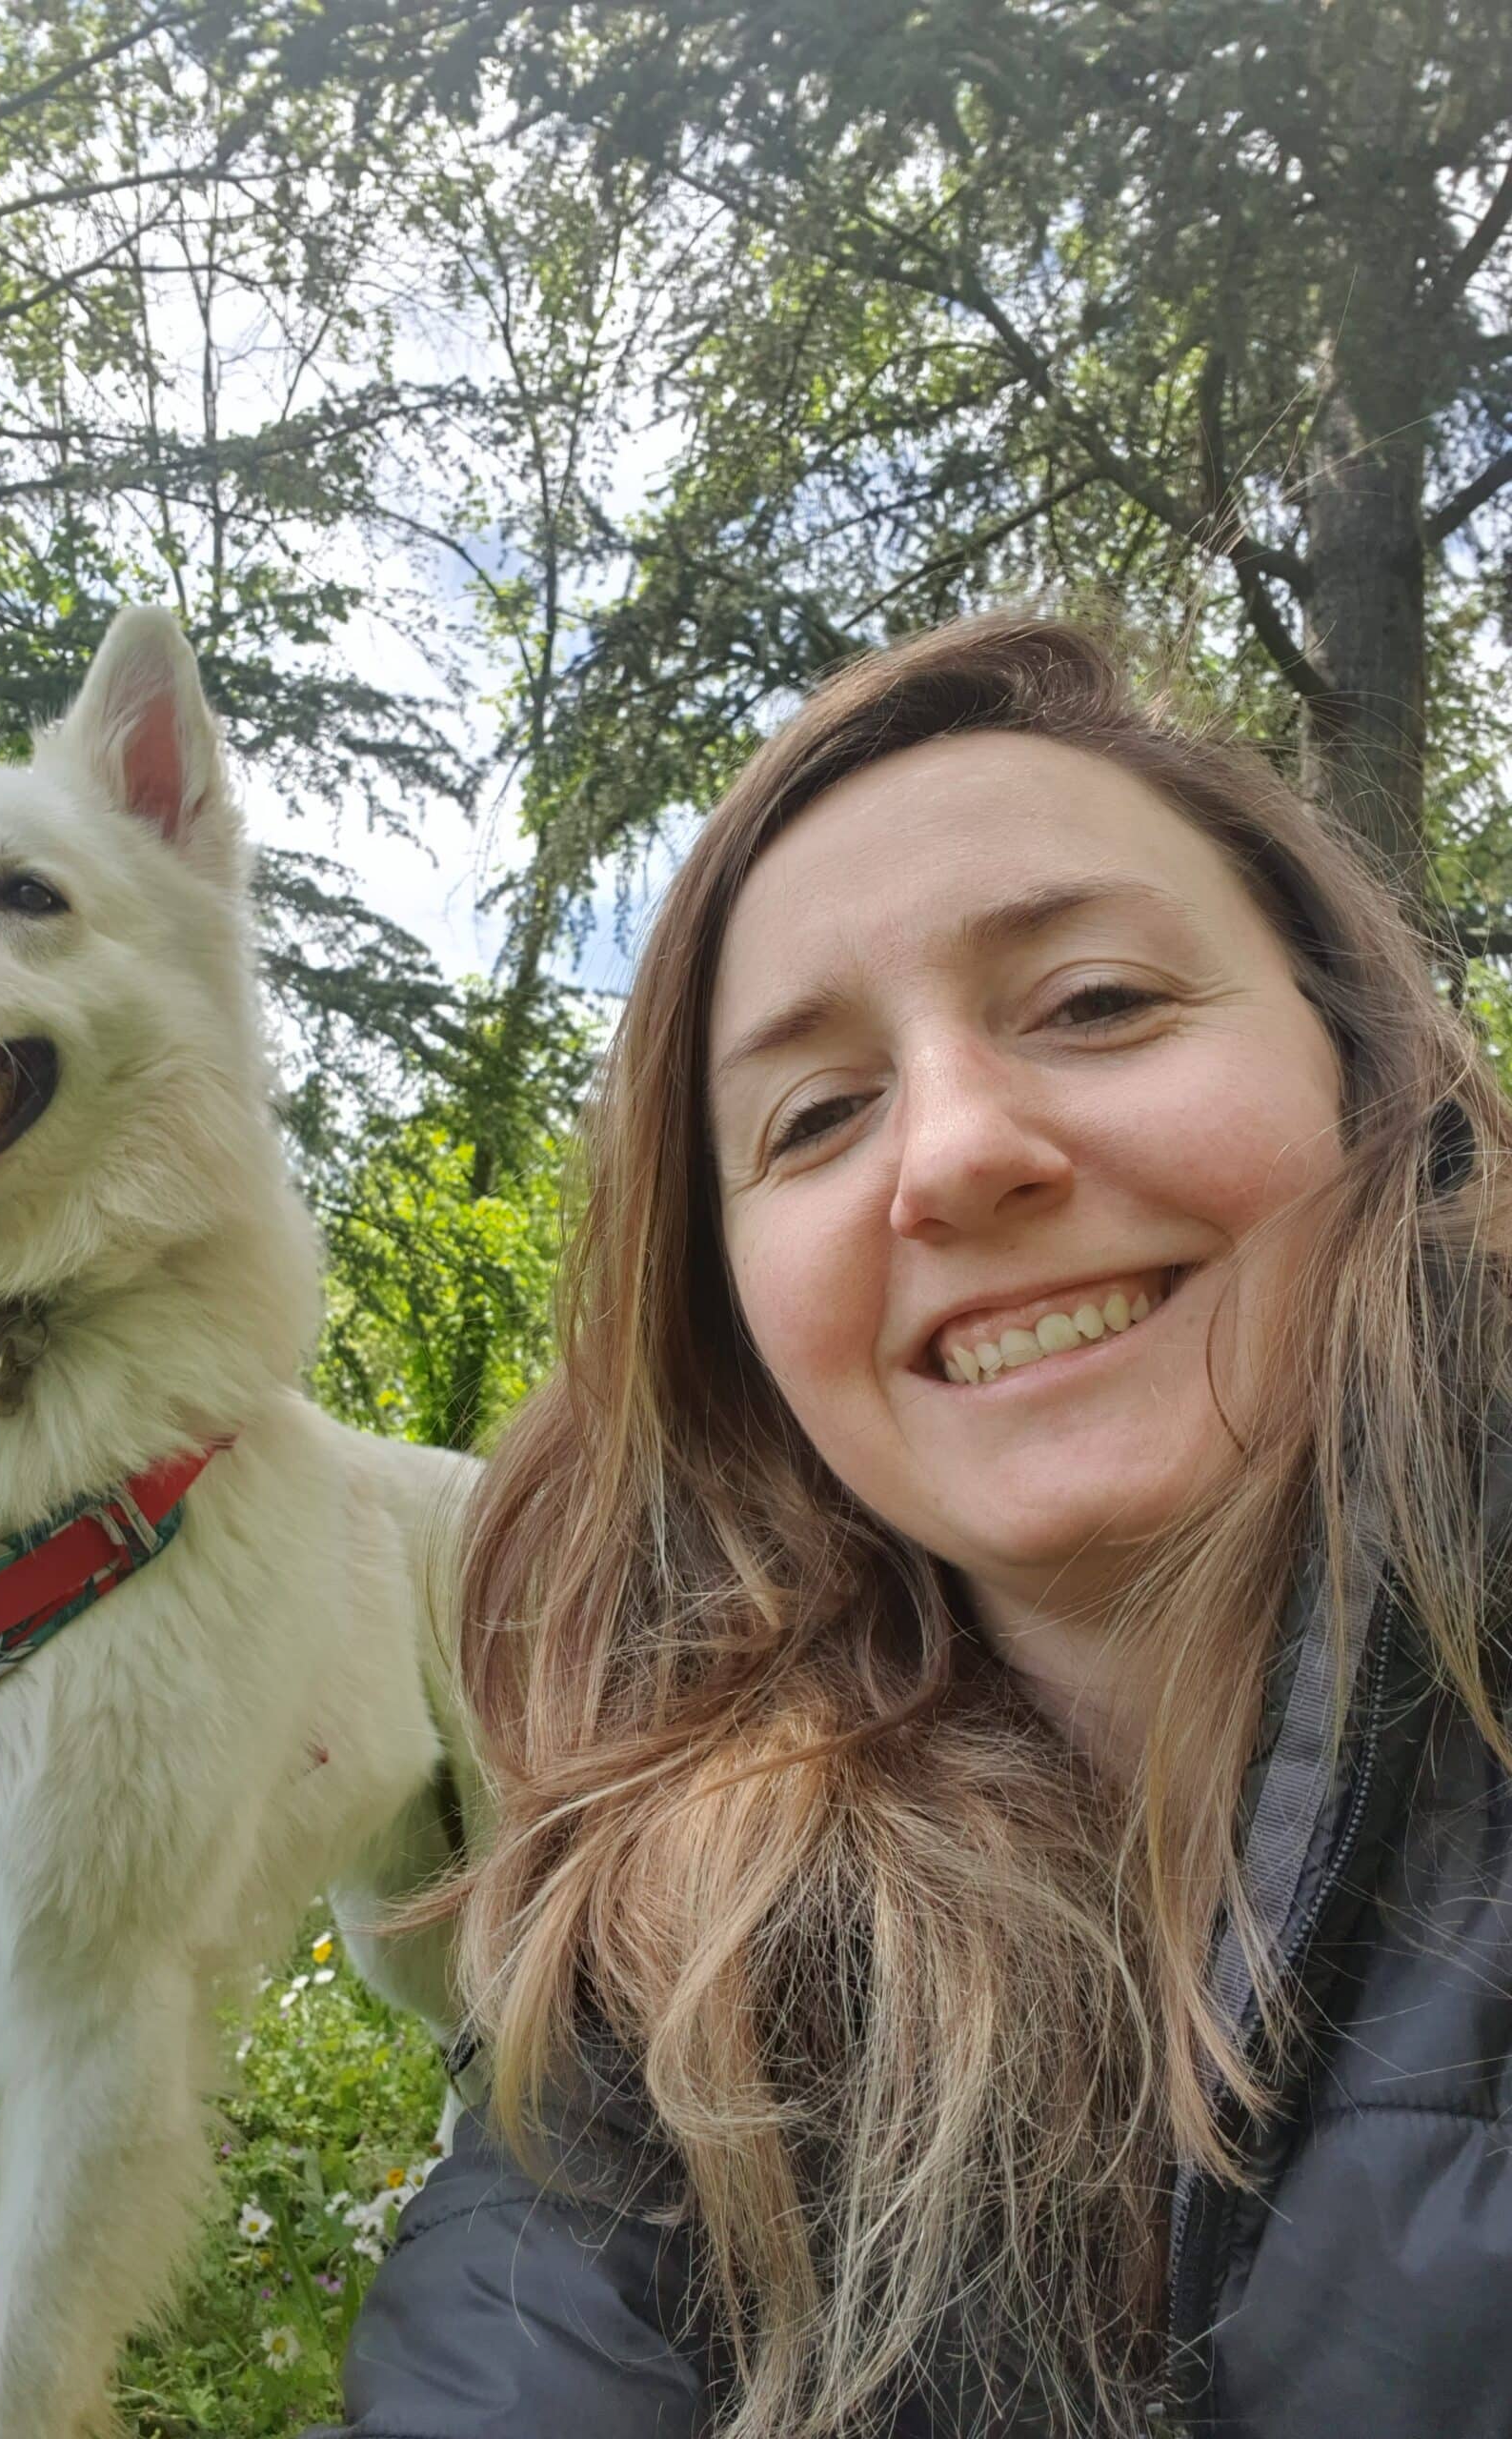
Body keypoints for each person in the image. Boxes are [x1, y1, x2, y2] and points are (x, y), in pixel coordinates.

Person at [305, 615, 1512, 2439]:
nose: (952, 1154)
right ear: (733, 1327)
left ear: (1367, 1073)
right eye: (816, 1115)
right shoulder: (669, 1964)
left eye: (1098, 1000)